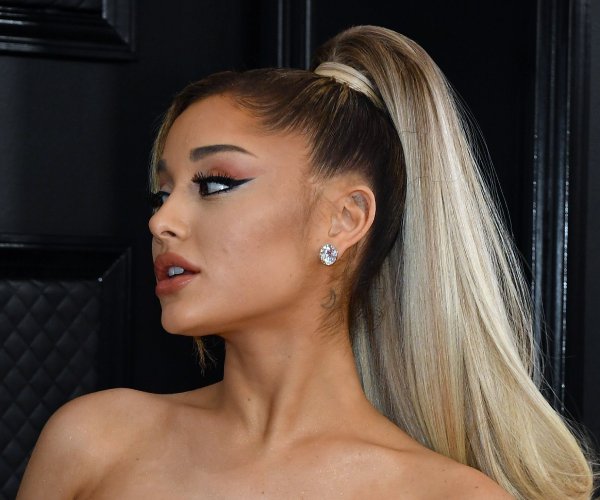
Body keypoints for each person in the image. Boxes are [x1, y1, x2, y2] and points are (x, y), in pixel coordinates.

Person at [17, 25, 594, 499]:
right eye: (161, 194)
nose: (161, 221)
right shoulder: (94, 442)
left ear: (342, 219)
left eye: (215, 183)